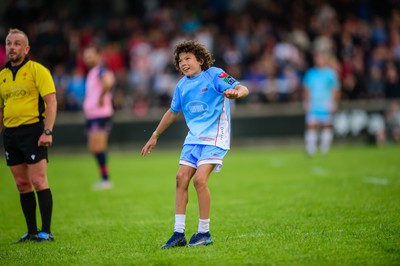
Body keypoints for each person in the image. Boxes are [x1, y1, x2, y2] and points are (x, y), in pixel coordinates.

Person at [141, 40, 249, 248]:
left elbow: (242, 88)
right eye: (180, 60)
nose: (183, 63)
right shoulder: (182, 85)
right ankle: (178, 233)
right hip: (194, 138)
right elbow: (173, 112)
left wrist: (236, 93)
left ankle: (204, 232)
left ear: (200, 60)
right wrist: (155, 135)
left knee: (199, 180)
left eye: (188, 58)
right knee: (181, 178)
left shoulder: (215, 74)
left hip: (215, 137)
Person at [0, 28, 57, 242]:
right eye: (8, 43)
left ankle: (46, 231)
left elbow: (51, 102)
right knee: (22, 184)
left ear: (26, 48)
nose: (12, 47)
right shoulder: (2, 76)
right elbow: (1, 110)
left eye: (16, 43)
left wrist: (47, 131)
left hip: (33, 131)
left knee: (39, 181)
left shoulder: (38, 70)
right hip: (11, 135)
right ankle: (31, 232)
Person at [83, 45, 115, 190]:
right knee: (93, 147)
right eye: (86, 56)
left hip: (100, 115)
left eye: (90, 55)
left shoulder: (101, 70)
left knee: (99, 146)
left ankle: (105, 179)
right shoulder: (91, 72)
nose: (88, 58)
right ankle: (104, 178)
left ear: (97, 56)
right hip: (92, 115)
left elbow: (109, 82)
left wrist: (102, 97)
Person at [303, 52, 340, 156]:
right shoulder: (311, 73)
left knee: (326, 125)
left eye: (320, 58)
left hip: (326, 103)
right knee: (311, 125)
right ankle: (311, 148)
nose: (318, 60)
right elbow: (307, 89)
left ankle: (325, 148)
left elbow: (335, 89)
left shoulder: (330, 73)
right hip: (314, 103)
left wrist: (334, 102)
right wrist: (307, 102)